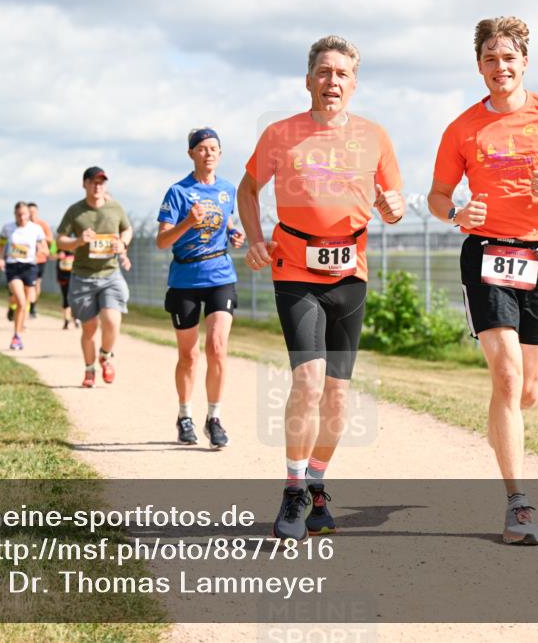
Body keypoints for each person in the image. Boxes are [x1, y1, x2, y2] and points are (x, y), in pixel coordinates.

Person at [427, 17, 538, 545]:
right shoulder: (462, 128)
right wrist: (457, 213)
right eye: (489, 58)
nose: (499, 67)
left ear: (524, 61)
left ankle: (502, 428)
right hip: (485, 255)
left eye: (508, 57)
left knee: (527, 391)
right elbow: (437, 197)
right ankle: (517, 502)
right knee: (505, 378)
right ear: (478, 65)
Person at [237, 36, 405, 540]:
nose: (333, 81)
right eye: (324, 72)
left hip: (350, 272)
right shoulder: (280, 134)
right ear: (308, 79)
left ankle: (316, 485)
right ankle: (292, 492)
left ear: (354, 84)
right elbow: (248, 189)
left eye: (342, 74)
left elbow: (391, 201)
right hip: (294, 268)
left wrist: (392, 209)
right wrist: (255, 238)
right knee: (307, 383)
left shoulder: (374, 136)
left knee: (337, 397)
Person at [156, 127, 246, 449]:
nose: (208, 153)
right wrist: (187, 223)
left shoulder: (227, 190)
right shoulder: (178, 192)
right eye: (202, 148)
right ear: (191, 154)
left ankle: (215, 418)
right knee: (189, 355)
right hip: (185, 281)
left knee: (217, 348)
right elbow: (161, 241)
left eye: (214, 148)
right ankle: (184, 416)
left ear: (220, 154)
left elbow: (228, 224)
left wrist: (236, 235)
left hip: (220, 274)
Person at [56, 167, 133, 388]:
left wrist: (123, 243)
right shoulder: (76, 211)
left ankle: (106, 356)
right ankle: (89, 370)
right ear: (85, 184)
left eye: (102, 182)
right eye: (93, 182)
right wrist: (78, 241)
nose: (98, 186)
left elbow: (127, 230)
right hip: (83, 277)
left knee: (112, 321)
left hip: (110, 274)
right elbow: (60, 240)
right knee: (89, 327)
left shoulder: (114, 207)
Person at [0, 202, 46, 350]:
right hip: (13, 267)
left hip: (30, 267)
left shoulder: (36, 229)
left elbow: (44, 247)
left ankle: (14, 311)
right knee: (22, 302)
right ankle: (16, 336)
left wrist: (41, 252)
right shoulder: (8, 228)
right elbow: (0, 244)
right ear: (15, 214)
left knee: (29, 299)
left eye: (24, 214)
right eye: (19, 214)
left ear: (28, 214)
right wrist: (0, 258)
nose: (22, 217)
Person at [27, 202, 55, 319]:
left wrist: (40, 238)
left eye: (34, 212)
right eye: (30, 212)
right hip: (27, 260)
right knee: (28, 285)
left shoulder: (42, 224)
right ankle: (25, 305)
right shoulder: (24, 225)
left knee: (37, 284)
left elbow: (51, 239)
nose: (32, 214)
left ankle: (33, 305)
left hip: (40, 259)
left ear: (37, 212)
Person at [56, 248, 78, 329]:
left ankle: (76, 318)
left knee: (75, 297)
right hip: (63, 275)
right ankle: (66, 320)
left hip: (76, 274)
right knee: (65, 297)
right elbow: (50, 255)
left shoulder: (80, 238)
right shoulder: (58, 241)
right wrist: (58, 256)